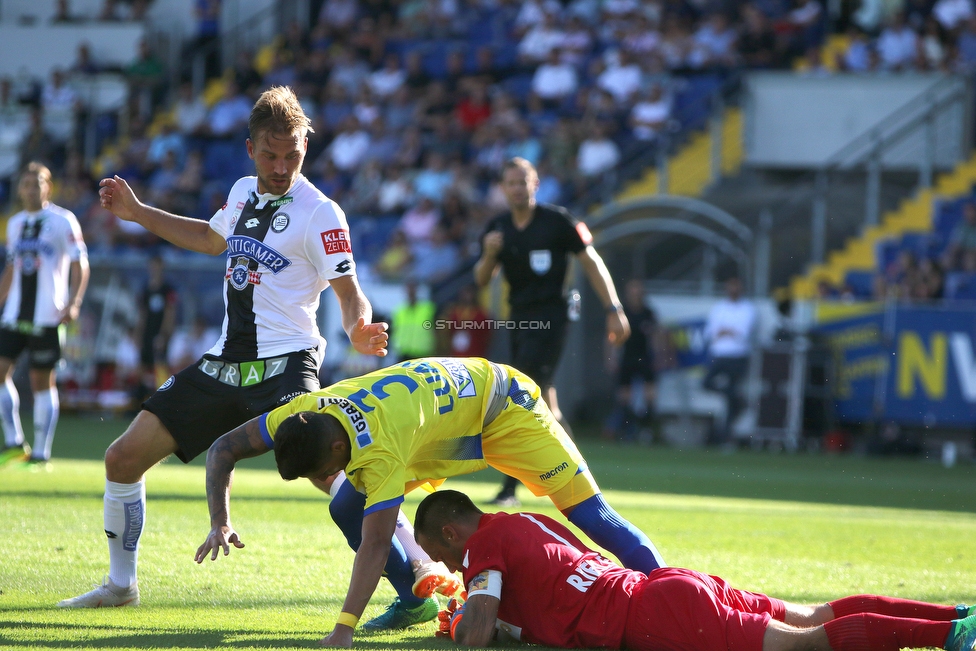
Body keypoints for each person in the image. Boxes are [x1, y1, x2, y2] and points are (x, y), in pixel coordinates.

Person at [56, 87, 454, 624]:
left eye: (292, 154)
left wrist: (358, 326)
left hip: (288, 365)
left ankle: (415, 587)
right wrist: (137, 213)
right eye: (270, 154)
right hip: (224, 363)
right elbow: (210, 239)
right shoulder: (242, 190)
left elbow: (348, 288)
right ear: (249, 149)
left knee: (337, 471)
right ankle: (121, 585)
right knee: (121, 459)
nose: (281, 166)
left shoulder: (322, 213)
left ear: (305, 146)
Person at [194, 356, 666, 648]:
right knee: (345, 507)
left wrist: (344, 627)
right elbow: (222, 449)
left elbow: (376, 544)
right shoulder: (298, 415)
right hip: (436, 429)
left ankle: (666, 592)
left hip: (508, 410)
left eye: (323, 471)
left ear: (337, 450)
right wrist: (220, 520)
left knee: (590, 513)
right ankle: (414, 601)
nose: (323, 478)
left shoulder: (379, 449)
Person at [414, 489, 976, 651]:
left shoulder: (483, 549)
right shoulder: (526, 521)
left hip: (655, 616)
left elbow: (478, 634)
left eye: (440, 554)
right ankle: (956, 613)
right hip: (665, 586)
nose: (447, 565)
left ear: (450, 532)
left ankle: (951, 634)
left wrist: (462, 619)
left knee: (803, 644)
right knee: (814, 613)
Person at [473, 157, 630, 506]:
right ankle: (581, 477)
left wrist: (613, 308)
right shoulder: (497, 228)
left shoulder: (557, 221)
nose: (517, 188)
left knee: (521, 395)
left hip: (553, 317)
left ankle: (509, 488)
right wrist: (488, 255)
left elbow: (591, 261)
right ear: (502, 188)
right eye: (510, 182)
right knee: (546, 402)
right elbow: (481, 280)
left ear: (535, 183)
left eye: (523, 181)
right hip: (520, 319)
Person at [0, 162, 90, 469]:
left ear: (48, 187)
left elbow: (81, 264)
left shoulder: (64, 221)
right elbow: (12, 268)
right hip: (14, 314)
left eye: (36, 183)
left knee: (42, 380)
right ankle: (13, 442)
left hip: (48, 315)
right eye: (25, 183)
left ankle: (40, 453)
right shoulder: (14, 224)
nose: (30, 189)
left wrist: (74, 302)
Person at [702, 276, 756, 446]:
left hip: (738, 356)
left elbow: (743, 334)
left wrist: (724, 331)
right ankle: (735, 398)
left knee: (730, 397)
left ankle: (724, 435)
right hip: (720, 355)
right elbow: (710, 333)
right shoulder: (719, 308)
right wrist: (729, 332)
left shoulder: (748, 308)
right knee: (707, 384)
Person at [603, 279, 659, 444]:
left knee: (650, 396)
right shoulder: (622, 313)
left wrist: (659, 356)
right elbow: (610, 337)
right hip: (627, 358)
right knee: (624, 398)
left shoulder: (648, 313)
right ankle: (627, 432)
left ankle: (647, 431)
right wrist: (610, 357)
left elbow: (656, 335)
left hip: (645, 358)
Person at [134, 255, 177, 401]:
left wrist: (164, 335)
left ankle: (163, 398)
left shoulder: (167, 288)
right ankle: (140, 398)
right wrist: (139, 334)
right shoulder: (146, 288)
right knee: (143, 365)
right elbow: (142, 314)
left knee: (160, 366)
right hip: (147, 332)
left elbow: (170, 313)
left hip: (159, 334)